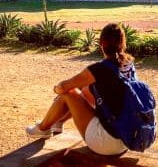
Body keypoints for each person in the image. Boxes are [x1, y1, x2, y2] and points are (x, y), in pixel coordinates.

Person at [25, 23, 137, 156]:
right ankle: (58, 122)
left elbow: (64, 87)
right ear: (123, 43)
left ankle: (43, 128)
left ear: (101, 43)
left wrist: (56, 89)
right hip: (126, 140)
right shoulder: (129, 64)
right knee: (84, 89)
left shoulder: (100, 69)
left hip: (106, 143)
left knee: (69, 93)